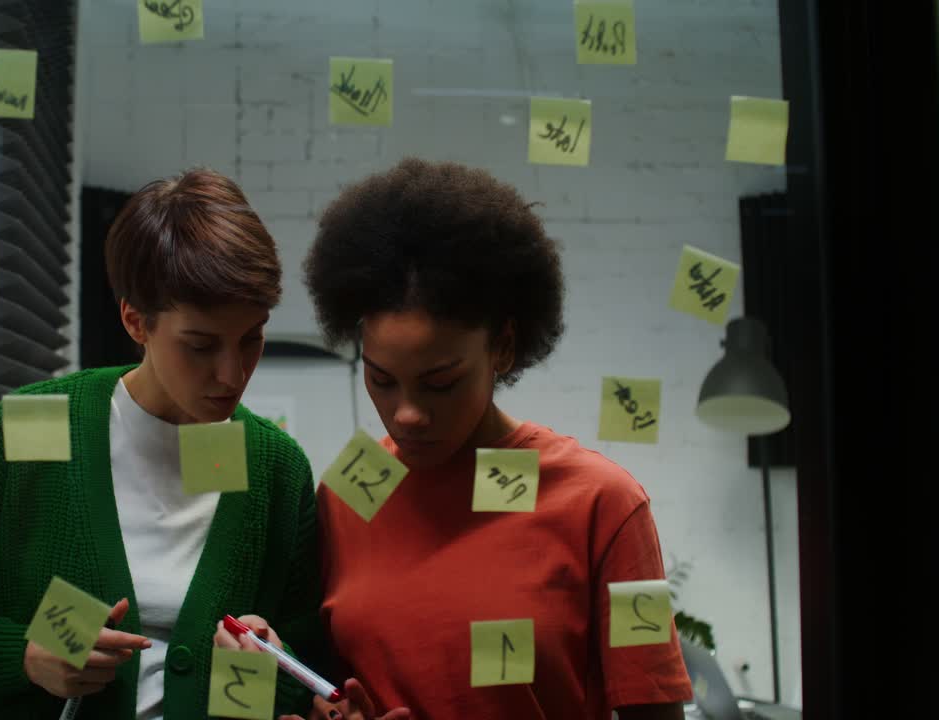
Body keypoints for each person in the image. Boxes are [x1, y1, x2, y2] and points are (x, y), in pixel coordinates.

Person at [0, 168, 325, 719]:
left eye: (252, 338)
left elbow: (307, 669)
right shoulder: (39, 425)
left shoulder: (275, 468)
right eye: (200, 345)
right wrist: (26, 658)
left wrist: (266, 667)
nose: (232, 373)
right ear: (135, 321)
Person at [279, 157, 692, 719]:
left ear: (503, 347)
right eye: (381, 380)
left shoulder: (604, 505)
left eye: (440, 382)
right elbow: (328, 683)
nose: (407, 416)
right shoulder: (349, 493)